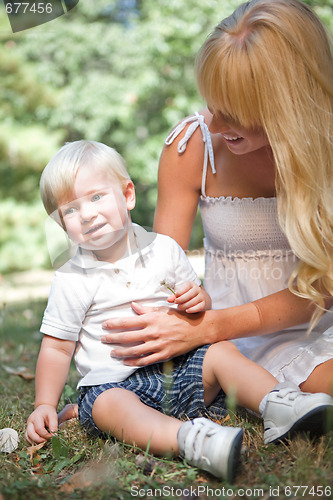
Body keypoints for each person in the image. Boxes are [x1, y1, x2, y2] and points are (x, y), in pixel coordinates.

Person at [25, 140, 333, 482]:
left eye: (96, 197)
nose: (86, 213)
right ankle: (193, 441)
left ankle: (278, 402)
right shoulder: (71, 278)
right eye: (70, 209)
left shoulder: (164, 250)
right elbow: (56, 348)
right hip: (116, 384)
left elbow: (198, 300)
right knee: (105, 406)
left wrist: (197, 299)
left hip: (182, 368)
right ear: (61, 223)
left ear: (127, 195)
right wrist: (44, 404)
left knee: (220, 352)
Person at [100, 0, 333, 397]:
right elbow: (163, 274)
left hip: (313, 323)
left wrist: (214, 325)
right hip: (231, 338)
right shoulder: (192, 147)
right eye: (212, 102)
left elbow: (323, 291)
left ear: (288, 107)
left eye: (235, 111)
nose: (216, 124)